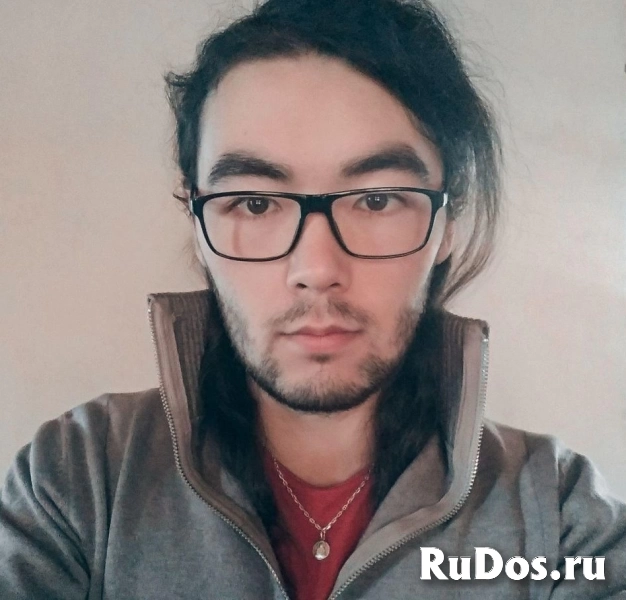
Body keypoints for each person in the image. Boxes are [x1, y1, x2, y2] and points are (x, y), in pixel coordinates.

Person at [1, 0, 624, 598]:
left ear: (448, 223)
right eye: (255, 203)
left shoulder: (557, 516)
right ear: (195, 221)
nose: (317, 270)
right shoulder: (79, 480)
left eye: (377, 200)